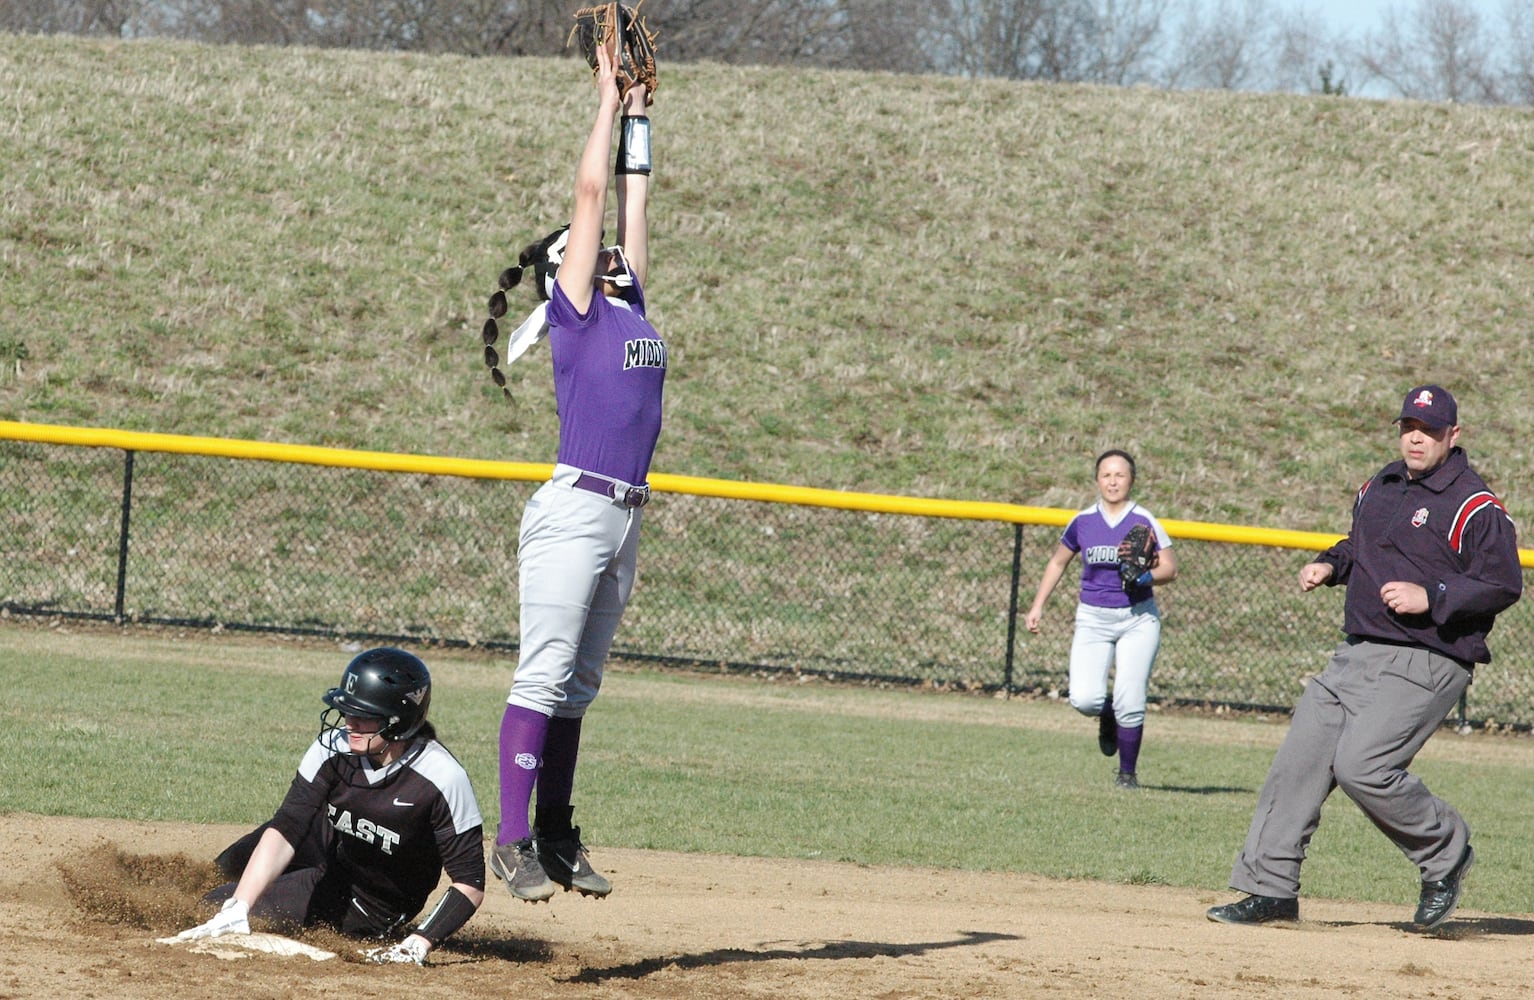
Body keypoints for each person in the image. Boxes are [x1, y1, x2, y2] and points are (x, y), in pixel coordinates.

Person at [1207, 384, 1522, 930]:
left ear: (1454, 435)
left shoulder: (1476, 506)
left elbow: (1501, 582)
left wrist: (1436, 597)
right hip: (1356, 652)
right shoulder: (1381, 483)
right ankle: (1270, 889)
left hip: (1427, 658)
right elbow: (1361, 545)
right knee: (1299, 762)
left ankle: (1446, 853)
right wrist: (1331, 565)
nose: (1416, 438)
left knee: (1364, 767)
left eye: (1429, 430)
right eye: (1408, 427)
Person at [489, 42, 664, 905]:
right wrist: (601, 100)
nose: (613, 254)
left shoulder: (632, 303)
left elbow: (634, 199)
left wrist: (640, 117)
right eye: (592, 252)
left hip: (627, 514)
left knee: (580, 685)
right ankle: (512, 838)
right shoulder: (581, 311)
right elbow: (594, 197)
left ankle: (554, 830)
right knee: (544, 673)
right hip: (575, 505)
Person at [174, 648, 486, 965]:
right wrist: (240, 903)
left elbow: (470, 883)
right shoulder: (335, 748)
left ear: (398, 721)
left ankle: (228, 904)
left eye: (363, 716)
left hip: (366, 897)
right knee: (226, 868)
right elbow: (288, 826)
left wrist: (417, 943)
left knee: (212, 904)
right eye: (347, 711)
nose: (349, 723)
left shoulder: (442, 778)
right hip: (329, 840)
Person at [1024, 449, 1177, 790]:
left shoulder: (1144, 520)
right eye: (1106, 474)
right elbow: (1057, 563)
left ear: (1131, 480)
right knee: (1084, 699)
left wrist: (1146, 578)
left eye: (1119, 475)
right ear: (1097, 479)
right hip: (1093, 618)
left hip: (1137, 618)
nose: (1113, 481)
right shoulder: (1083, 521)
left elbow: (1170, 568)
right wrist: (1037, 606)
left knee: (1131, 696)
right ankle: (1106, 713)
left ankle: (1127, 774)